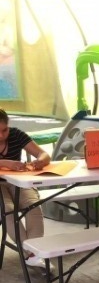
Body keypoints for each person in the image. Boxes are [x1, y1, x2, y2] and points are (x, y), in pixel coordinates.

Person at [0, 108, 52, 269]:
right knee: (7, 210)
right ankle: (32, 253)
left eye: (4, 130)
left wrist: (40, 161)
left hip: (18, 180)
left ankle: (33, 253)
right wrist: (5, 163)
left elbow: (44, 154)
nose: (1, 135)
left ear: (8, 125)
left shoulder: (16, 134)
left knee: (34, 205)